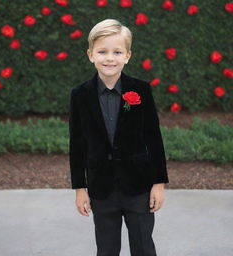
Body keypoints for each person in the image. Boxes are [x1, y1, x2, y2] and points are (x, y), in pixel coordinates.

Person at [69, 18, 169, 256]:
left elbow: (153, 137)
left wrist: (158, 183)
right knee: (106, 248)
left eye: (117, 52)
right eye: (102, 51)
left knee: (143, 246)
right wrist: (80, 188)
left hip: (139, 187)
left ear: (128, 55)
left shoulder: (141, 90)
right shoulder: (80, 95)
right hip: (101, 188)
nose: (110, 58)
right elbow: (77, 143)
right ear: (91, 54)